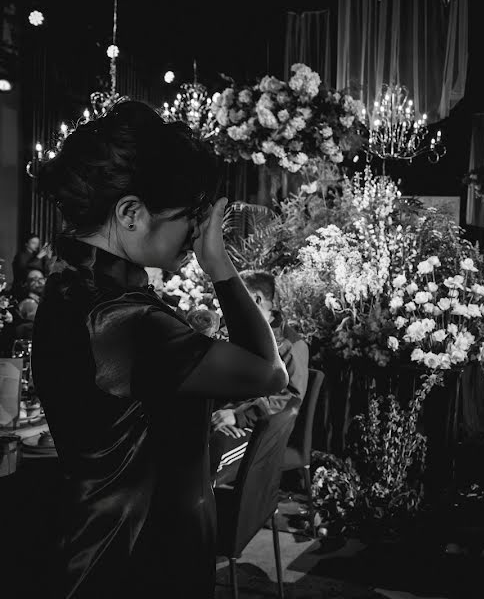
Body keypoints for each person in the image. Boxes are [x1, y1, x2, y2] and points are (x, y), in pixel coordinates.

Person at [31, 101, 288, 599]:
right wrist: (218, 264)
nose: (197, 231)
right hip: (140, 557)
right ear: (130, 214)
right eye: (190, 217)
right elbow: (269, 372)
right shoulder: (125, 320)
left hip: (106, 539)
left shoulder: (74, 291)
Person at [208, 270, 309, 485]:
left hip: (261, 430)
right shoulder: (237, 332)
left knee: (208, 457)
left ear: (256, 299)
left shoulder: (290, 345)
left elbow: (288, 400)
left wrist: (238, 416)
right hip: (225, 417)